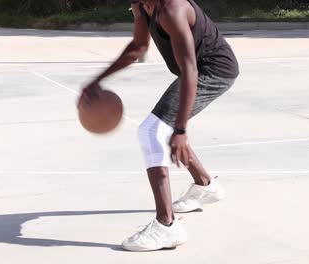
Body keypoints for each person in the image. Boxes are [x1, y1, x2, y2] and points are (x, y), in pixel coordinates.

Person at [81, 0, 239, 251]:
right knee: (162, 129)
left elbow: (190, 71)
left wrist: (181, 129)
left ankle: (167, 226)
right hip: (195, 71)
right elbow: (138, 46)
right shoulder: (142, 6)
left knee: (152, 130)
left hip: (213, 71)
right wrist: (97, 80)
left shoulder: (172, 10)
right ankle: (205, 186)